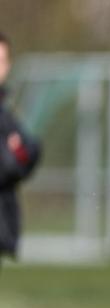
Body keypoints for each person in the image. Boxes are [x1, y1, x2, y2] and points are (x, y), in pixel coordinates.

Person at [0, 32, 41, 273]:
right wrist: (13, 157)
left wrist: (17, 156)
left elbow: (31, 150)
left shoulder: (5, 112)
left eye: (2, 60)